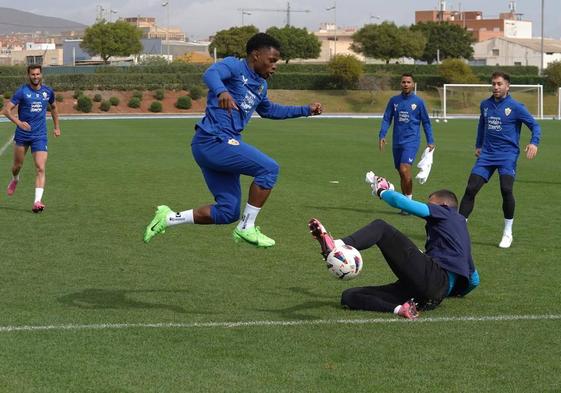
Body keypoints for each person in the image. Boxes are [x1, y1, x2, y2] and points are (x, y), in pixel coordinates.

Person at [144, 33, 322, 247]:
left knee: (227, 212)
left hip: (218, 146)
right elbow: (211, 73)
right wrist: (221, 91)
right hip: (213, 140)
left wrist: (305, 110)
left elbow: (269, 110)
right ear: (256, 55)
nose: (275, 66)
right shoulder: (235, 66)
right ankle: (247, 227)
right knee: (269, 169)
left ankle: (168, 218)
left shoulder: (260, 85)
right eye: (272, 60)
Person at [309, 173, 479, 320]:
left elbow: (402, 202)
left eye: (430, 205)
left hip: (433, 279)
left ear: (443, 206)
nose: (428, 209)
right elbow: (474, 280)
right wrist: (451, 293)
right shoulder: (460, 237)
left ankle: (337, 245)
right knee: (349, 296)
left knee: (381, 228)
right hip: (428, 296)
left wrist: (382, 191)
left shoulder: (448, 214)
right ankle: (400, 309)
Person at [458, 71, 540, 249]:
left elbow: (535, 125)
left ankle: (507, 232)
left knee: (506, 189)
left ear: (507, 86)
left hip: (507, 155)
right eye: (493, 83)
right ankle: (458, 230)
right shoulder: (485, 105)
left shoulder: (516, 107)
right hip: (487, 154)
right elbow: (482, 124)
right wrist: (478, 145)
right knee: (471, 188)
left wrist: (534, 143)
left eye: (499, 84)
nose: (496, 87)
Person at [2, 64, 61, 213]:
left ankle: (37, 201)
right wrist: (19, 123)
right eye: (32, 74)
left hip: (40, 135)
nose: (35, 77)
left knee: (40, 167)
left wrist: (56, 127)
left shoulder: (47, 92)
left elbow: (53, 108)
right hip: (22, 135)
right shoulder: (22, 91)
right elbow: (6, 110)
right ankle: (15, 179)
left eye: (37, 74)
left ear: (41, 75)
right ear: (28, 75)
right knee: (17, 166)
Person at [378, 73, 435, 212]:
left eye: (408, 82)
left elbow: (426, 122)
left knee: (405, 169)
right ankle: (405, 203)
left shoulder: (419, 102)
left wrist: (430, 141)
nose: (406, 84)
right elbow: (387, 118)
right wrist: (382, 135)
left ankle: (409, 204)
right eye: (403, 82)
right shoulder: (394, 101)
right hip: (397, 142)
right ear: (400, 84)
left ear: (413, 84)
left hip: (411, 141)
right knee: (401, 172)